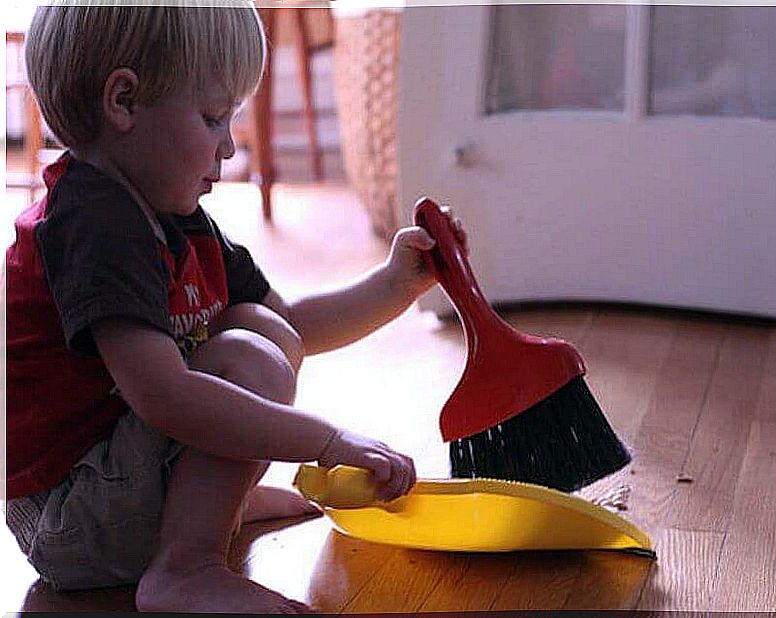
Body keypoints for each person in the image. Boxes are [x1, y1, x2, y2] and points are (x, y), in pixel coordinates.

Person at [4, 3, 466, 613]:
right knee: (249, 354)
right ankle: (184, 566)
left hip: (112, 481)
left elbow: (292, 325)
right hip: (73, 518)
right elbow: (164, 396)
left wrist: (394, 286)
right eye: (214, 117)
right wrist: (326, 441)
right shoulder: (95, 223)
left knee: (259, 327)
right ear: (124, 103)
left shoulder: (174, 217)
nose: (229, 146)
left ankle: (202, 512)